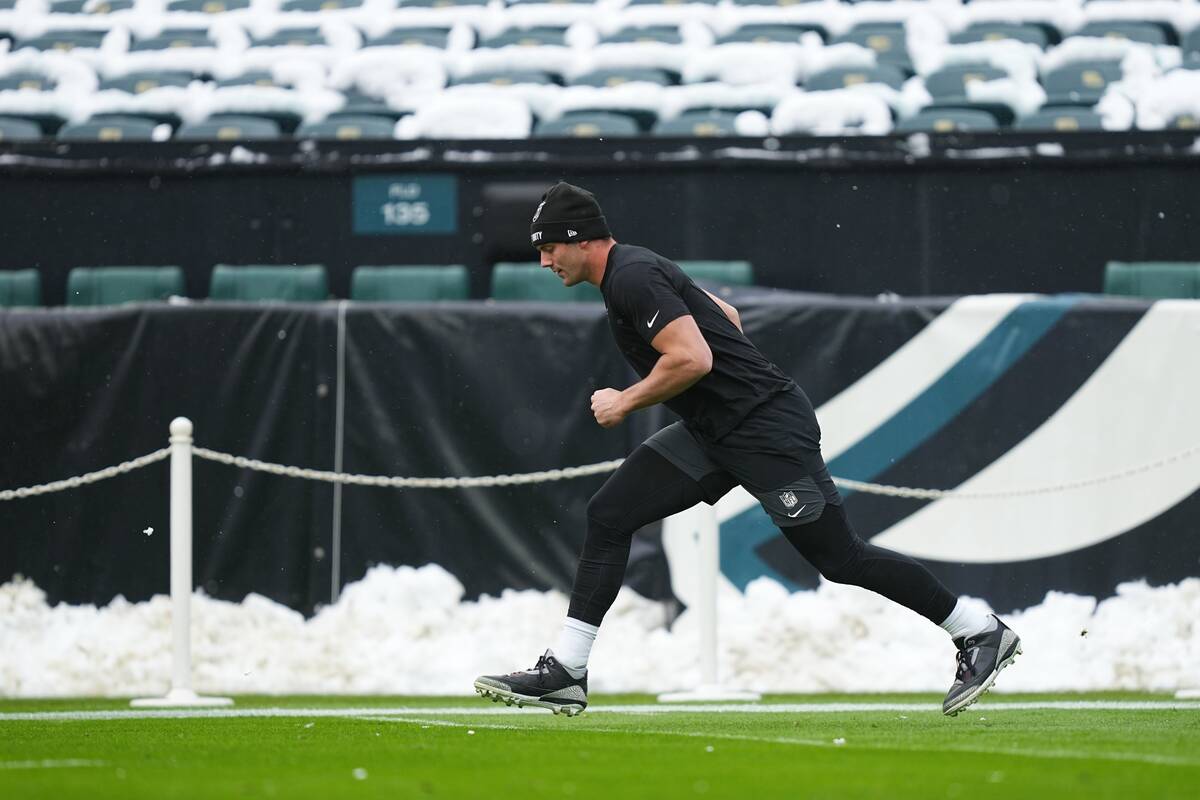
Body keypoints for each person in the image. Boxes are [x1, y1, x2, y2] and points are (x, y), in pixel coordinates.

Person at [474, 182, 1021, 718]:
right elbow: (726, 319)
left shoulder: (632, 276)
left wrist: (625, 402)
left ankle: (978, 630)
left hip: (764, 431)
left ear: (583, 239)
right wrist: (731, 392)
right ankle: (566, 672)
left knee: (841, 558)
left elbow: (693, 358)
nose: (544, 261)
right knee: (610, 514)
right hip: (718, 430)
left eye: (549, 246)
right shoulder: (637, 270)